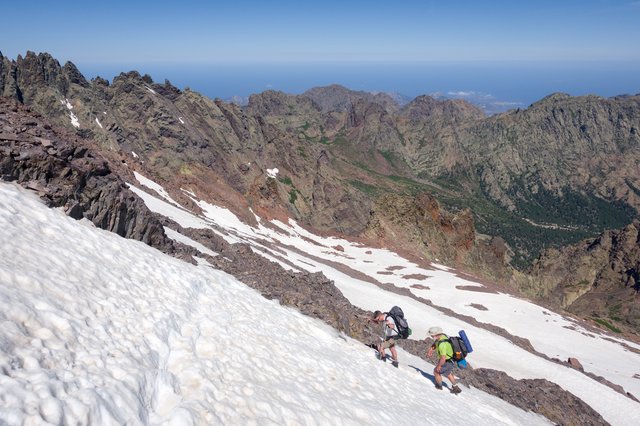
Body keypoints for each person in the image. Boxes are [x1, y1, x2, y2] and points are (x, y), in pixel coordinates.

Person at [426, 326, 462, 394]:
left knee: (436, 371)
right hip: (450, 360)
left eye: (432, 335)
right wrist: (431, 350)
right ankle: (456, 387)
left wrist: (439, 366)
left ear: (436, 335)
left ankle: (439, 387)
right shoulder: (443, 336)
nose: (431, 337)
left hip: (446, 361)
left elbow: (443, 358)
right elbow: (436, 343)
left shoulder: (442, 345)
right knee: (448, 373)